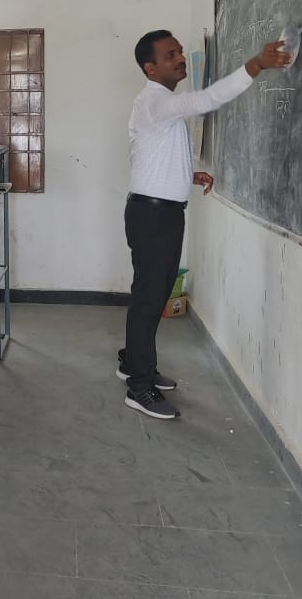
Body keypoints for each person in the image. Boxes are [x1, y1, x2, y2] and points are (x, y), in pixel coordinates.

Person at [121, 30, 290, 419]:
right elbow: (208, 99)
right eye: (170, 55)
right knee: (150, 299)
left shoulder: (159, 105)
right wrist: (256, 65)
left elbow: (155, 155)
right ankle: (139, 387)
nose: (180, 58)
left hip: (155, 211)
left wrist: (189, 175)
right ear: (150, 68)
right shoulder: (155, 102)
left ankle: (135, 364)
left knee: (150, 294)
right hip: (154, 216)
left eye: (179, 51)